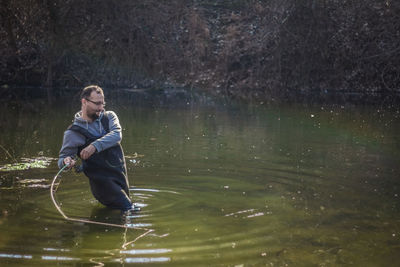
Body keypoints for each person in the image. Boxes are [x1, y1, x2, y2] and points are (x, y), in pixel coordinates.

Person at [58, 85, 135, 212]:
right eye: (97, 104)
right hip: (101, 184)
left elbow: (117, 135)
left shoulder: (109, 117)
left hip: (119, 176)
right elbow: (62, 159)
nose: (101, 108)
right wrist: (66, 162)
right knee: (128, 209)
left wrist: (94, 146)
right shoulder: (73, 133)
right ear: (84, 102)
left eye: (102, 103)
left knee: (121, 215)